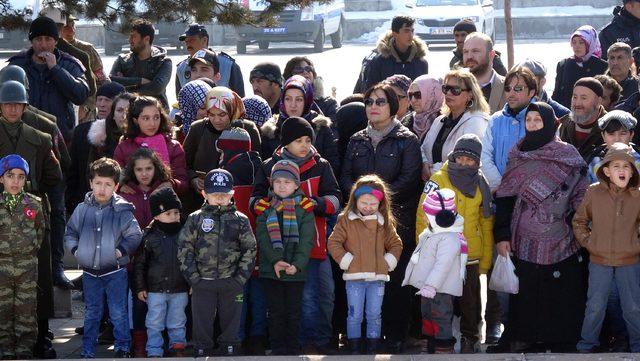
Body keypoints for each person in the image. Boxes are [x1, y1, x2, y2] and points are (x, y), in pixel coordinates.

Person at [493, 102, 589, 352]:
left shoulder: (567, 155)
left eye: (538, 120)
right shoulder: (517, 154)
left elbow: (581, 192)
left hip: (563, 239)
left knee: (559, 293)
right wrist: (502, 235)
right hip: (523, 241)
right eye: (529, 120)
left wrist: (571, 221)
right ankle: (524, 338)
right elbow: (505, 197)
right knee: (526, 292)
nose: (533, 124)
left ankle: (559, 340)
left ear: (549, 123)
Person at [340, 83, 421, 352]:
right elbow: (346, 176)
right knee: (359, 279)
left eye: (380, 102)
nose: (373, 107)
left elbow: (409, 179)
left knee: (394, 278)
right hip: (359, 223)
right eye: (370, 102)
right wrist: (360, 202)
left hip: (394, 220)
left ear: (392, 106)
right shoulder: (357, 139)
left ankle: (395, 334)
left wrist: (377, 201)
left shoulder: (406, 140)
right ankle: (358, 336)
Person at [251, 117, 341, 354]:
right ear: (286, 142)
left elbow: (335, 200)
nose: (304, 144)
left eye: (308, 139)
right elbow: (255, 200)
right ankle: (301, 342)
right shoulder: (269, 165)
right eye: (298, 140)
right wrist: (269, 206)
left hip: (315, 242)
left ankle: (323, 340)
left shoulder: (321, 165)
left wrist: (313, 204)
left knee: (325, 294)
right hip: (278, 246)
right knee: (301, 300)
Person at [0, 81, 63, 357]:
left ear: (25, 106)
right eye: (7, 103)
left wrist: (33, 189)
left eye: (17, 104)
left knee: (39, 277)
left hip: (31, 213)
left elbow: (56, 176)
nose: (12, 108)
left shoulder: (41, 137)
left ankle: (39, 334)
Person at [417, 135, 493, 353]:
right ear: (453, 156)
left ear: (478, 162)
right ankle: (439, 342)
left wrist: (485, 262)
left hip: (471, 255)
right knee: (440, 301)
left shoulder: (481, 184)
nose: (464, 163)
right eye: (460, 158)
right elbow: (422, 216)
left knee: (471, 303)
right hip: (441, 254)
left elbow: (486, 223)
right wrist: (425, 251)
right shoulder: (438, 180)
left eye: (470, 160)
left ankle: (471, 340)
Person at [64, 157, 143, 358]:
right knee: (92, 313)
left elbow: (135, 235)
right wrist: (76, 251)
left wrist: (121, 251)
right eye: (98, 183)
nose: (102, 188)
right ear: (91, 183)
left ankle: (122, 347)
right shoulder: (82, 209)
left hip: (115, 271)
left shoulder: (122, 210)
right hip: (90, 273)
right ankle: (88, 349)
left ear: (116, 186)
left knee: (118, 312)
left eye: (108, 184)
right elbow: (70, 232)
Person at [178, 168, 257, 356]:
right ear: (204, 193)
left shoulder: (241, 220)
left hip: (231, 280)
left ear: (232, 194)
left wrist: (240, 278)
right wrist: (194, 278)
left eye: (224, 194)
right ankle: (201, 347)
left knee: (231, 318)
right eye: (215, 194)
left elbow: (250, 249)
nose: (219, 198)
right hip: (202, 281)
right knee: (202, 319)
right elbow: (184, 248)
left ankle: (230, 347)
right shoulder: (195, 218)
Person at [573, 142, 640, 353]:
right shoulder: (594, 193)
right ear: (606, 171)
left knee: (633, 308)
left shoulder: (638, 196)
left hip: (629, 262)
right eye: (616, 166)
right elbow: (579, 221)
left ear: (633, 171)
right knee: (595, 307)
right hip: (598, 261)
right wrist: (590, 243)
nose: (621, 170)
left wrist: (635, 245)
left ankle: (637, 346)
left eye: (626, 166)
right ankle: (586, 346)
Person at [328, 175, 403, 355]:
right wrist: (347, 260)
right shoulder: (345, 220)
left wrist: (388, 262)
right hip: (355, 277)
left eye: (373, 204)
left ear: (380, 204)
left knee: (374, 314)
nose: (368, 207)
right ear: (356, 200)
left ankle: (372, 345)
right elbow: (333, 243)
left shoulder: (383, 222)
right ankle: (354, 345)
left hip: (377, 278)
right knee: (354, 314)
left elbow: (396, 244)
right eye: (364, 203)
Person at [255, 160, 315, 355]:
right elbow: (263, 238)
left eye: (287, 182)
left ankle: (292, 347)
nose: (282, 186)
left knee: (294, 311)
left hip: (295, 271)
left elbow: (307, 240)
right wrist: (275, 260)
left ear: (297, 185)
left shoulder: (305, 208)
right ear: (271, 183)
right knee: (276, 311)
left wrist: (297, 265)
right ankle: (277, 347)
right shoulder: (264, 207)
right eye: (278, 181)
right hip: (272, 270)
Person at [403, 189, 466, 354]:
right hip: (427, 288)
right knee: (427, 316)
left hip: (441, 288)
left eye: (426, 214)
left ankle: (443, 349)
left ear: (438, 218)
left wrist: (431, 285)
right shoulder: (431, 233)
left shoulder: (449, 238)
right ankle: (429, 345)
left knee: (441, 317)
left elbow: (442, 265)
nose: (423, 217)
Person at [8, 15, 89, 142]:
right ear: (32, 41)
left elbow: (81, 95)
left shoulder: (69, 63)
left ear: (56, 41)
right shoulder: (18, 64)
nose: (43, 45)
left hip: (60, 138)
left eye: (48, 39)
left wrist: (56, 69)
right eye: (39, 39)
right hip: (23, 137)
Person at [183, 87, 260, 209]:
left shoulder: (248, 129)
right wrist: (194, 179)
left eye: (222, 114)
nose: (216, 120)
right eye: (211, 115)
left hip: (238, 199)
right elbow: (184, 163)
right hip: (201, 201)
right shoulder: (198, 129)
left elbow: (258, 165)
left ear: (232, 110)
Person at [134, 187, 189, 358]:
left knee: (178, 320)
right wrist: (140, 287)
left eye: (176, 212)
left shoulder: (185, 234)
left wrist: (193, 282)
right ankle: (154, 349)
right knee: (154, 322)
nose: (173, 216)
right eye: (168, 213)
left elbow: (192, 260)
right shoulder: (149, 237)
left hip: (180, 287)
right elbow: (140, 264)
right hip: (155, 289)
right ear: (156, 216)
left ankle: (177, 346)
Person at [0, 154, 45, 360]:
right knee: (3, 309)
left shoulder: (34, 204)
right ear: (2, 178)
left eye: (20, 176)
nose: (15, 181)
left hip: (27, 266)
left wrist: (28, 251)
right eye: (10, 176)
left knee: (26, 310)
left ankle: (25, 350)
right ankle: (5, 349)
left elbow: (40, 232)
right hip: (1, 268)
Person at [66, 91, 132, 214]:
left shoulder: (144, 141)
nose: (124, 115)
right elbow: (77, 174)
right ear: (113, 114)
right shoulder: (97, 138)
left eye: (128, 111)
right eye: (119, 110)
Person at [422, 69, 490, 180]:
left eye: (456, 90)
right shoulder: (439, 120)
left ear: (470, 95)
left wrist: (432, 171)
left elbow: (465, 163)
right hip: (435, 187)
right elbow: (423, 149)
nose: (448, 93)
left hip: (460, 189)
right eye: (446, 88)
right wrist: (424, 164)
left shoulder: (476, 122)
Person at [261, 75, 339, 172]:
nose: (293, 105)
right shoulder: (271, 130)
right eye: (288, 99)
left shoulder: (321, 127)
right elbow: (265, 170)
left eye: (299, 99)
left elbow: (333, 166)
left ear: (307, 101)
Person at [114, 96, 189, 196]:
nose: (152, 123)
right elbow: (113, 179)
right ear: (135, 120)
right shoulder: (124, 147)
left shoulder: (173, 146)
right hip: (133, 205)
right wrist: (120, 187)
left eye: (156, 117)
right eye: (146, 118)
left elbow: (183, 183)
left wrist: (172, 184)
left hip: (165, 206)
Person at [481, 67, 538, 190]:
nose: (511, 94)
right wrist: (501, 186)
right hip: (498, 195)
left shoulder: (543, 119)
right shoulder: (495, 120)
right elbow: (484, 156)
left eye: (518, 89)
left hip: (532, 198)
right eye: (507, 88)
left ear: (532, 92)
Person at [39, 6, 97, 124]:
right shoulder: (80, 55)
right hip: (66, 121)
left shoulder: (28, 55)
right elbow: (91, 90)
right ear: (62, 27)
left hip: (45, 120)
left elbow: (91, 91)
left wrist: (85, 107)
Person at [353, 15, 429, 94]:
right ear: (395, 34)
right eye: (406, 31)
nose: (410, 35)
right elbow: (370, 93)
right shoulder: (379, 61)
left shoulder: (421, 63)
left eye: (412, 31)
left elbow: (423, 94)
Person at [110, 19, 172, 109]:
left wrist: (126, 87)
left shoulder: (163, 62)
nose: (129, 40)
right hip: (128, 115)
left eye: (134, 37)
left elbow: (156, 88)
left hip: (156, 115)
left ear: (146, 39)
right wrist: (139, 81)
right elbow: (111, 82)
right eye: (130, 36)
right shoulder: (122, 60)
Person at [175, 23, 244, 96]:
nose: (188, 44)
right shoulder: (181, 68)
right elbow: (180, 101)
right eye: (186, 41)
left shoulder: (228, 65)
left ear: (204, 40)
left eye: (192, 40)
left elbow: (240, 101)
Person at [552, 25, 608, 109]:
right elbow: (557, 94)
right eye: (574, 42)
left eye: (581, 42)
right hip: (567, 114)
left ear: (590, 43)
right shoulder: (563, 64)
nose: (577, 46)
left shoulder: (603, 66)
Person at [559, 77, 608, 160]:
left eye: (583, 98)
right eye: (575, 97)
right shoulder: (562, 124)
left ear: (598, 101)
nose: (577, 103)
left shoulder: (610, 127)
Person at [586, 110, 640, 183]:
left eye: (623, 133)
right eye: (611, 134)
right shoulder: (594, 160)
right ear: (603, 136)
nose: (617, 139)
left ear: (631, 135)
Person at [283, 56, 339, 122]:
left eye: (308, 68)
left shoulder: (329, 103)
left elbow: (334, 130)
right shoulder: (281, 103)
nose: (305, 72)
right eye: (298, 69)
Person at [462, 32, 505, 114]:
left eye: (475, 51)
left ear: (491, 55)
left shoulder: (508, 88)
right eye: (465, 52)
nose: (469, 56)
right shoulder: (453, 87)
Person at [402, 75, 444, 142]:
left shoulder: (444, 122)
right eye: (410, 95)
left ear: (432, 95)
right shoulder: (406, 121)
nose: (413, 100)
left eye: (418, 95)